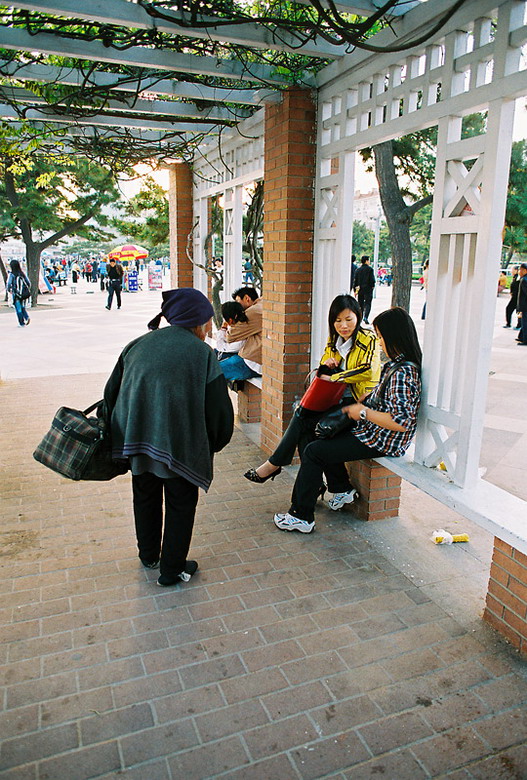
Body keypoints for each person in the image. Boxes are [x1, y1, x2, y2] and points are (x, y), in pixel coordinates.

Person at [102, 288, 234, 586]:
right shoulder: (201, 353)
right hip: (180, 447)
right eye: (207, 322)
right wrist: (213, 442)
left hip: (137, 443)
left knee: (144, 496)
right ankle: (172, 569)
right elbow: (218, 411)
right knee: (180, 504)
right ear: (197, 322)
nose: (208, 329)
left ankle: (148, 555)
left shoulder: (136, 345)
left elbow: (111, 394)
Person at [272, 307, 422, 534]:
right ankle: (339, 488)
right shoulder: (395, 365)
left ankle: (301, 515)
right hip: (372, 431)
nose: (379, 343)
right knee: (311, 430)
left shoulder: (403, 372)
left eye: (381, 337)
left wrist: (361, 412)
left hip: (381, 440)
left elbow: (400, 422)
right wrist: (366, 400)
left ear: (393, 337)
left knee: (314, 451)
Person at [244, 294, 381, 484]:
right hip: (335, 399)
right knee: (304, 420)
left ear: (358, 316)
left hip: (357, 403)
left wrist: (336, 376)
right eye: (338, 321)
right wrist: (327, 364)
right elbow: (324, 364)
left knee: (304, 418)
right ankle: (318, 484)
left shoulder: (369, 338)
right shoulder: (334, 339)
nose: (343, 326)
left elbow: (367, 371)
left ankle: (275, 464)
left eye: (349, 319)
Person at [219, 286, 262, 381]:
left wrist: (225, 326)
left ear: (247, 298)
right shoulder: (262, 304)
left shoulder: (252, 312)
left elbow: (230, 337)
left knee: (211, 372)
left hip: (252, 362)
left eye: (238, 302)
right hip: (252, 358)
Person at [6, 259, 31, 327]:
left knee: (18, 309)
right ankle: (26, 317)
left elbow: (8, 284)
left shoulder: (12, 274)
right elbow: (28, 283)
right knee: (22, 306)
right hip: (23, 294)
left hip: (16, 294)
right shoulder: (22, 274)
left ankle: (22, 323)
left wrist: (9, 290)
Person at [354, 255, 375, 323]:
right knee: (368, 303)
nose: (369, 262)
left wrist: (355, 290)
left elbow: (355, 281)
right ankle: (366, 317)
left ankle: (360, 317)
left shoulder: (358, 270)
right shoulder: (370, 269)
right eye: (369, 260)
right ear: (366, 261)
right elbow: (372, 280)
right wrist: (372, 286)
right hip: (368, 289)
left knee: (360, 304)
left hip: (360, 289)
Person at [516, 263, 527, 345]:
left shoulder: (524, 280)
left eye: (520, 269)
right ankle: (521, 337)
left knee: (525, 322)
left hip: (525, 306)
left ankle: (525, 340)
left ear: (524, 270)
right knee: (524, 322)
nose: (519, 271)